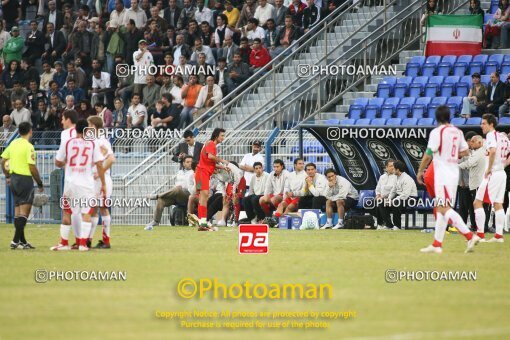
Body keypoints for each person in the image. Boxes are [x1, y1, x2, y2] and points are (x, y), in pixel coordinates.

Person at [417, 106, 479, 253]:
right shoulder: (457, 132)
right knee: (441, 208)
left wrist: (420, 171)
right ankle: (437, 244)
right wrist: (451, 155)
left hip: (442, 173)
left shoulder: (437, 132)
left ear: (437, 118)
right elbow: (465, 151)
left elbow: (428, 154)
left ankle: (470, 235)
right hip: (453, 172)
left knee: (444, 208)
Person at [52, 119, 107, 251]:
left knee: (67, 212)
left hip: (70, 183)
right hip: (86, 184)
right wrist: (103, 183)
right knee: (86, 213)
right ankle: (82, 244)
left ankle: (64, 243)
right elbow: (99, 164)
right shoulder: (92, 144)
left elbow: (58, 162)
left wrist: (67, 162)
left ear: (75, 129)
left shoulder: (67, 142)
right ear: (87, 130)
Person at [1, 122, 44, 249]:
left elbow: (3, 161)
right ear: (30, 131)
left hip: (13, 179)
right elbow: (32, 167)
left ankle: (22, 241)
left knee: (18, 212)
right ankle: (14, 241)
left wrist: (7, 176)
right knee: (25, 213)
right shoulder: (29, 146)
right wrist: (40, 183)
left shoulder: (13, 143)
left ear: (19, 132)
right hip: (25, 180)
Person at [473, 114, 510, 243]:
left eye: (483, 123)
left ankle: (480, 235)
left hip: (492, 174)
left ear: (491, 124)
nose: (481, 126)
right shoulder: (503, 137)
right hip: (501, 173)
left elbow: (493, 151)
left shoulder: (491, 135)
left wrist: (489, 168)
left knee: (477, 202)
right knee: (498, 204)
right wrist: (503, 164)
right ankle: (499, 236)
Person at [187, 128, 230, 231]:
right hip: (203, 173)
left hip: (200, 173)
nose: (223, 138)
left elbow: (210, 162)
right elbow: (211, 157)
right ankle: (201, 221)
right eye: (222, 135)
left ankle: (201, 222)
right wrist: (222, 161)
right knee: (204, 196)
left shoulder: (209, 144)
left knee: (202, 197)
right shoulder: (211, 144)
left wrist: (223, 167)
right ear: (216, 136)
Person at [86, 116, 116, 249]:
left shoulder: (102, 141)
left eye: (89, 125)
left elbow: (111, 159)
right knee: (93, 210)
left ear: (93, 126)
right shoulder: (91, 141)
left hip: (102, 180)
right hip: (93, 181)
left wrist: (100, 173)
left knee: (103, 208)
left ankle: (106, 241)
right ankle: (88, 239)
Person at [145, 155, 195, 230]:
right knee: (161, 200)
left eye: (191, 162)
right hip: (177, 195)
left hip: (188, 195)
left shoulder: (194, 172)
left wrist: (180, 188)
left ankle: (157, 195)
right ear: (183, 163)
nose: (190, 163)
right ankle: (156, 221)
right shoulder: (180, 172)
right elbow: (177, 184)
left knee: (177, 189)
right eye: (188, 162)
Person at [378, 160, 417, 231]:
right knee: (382, 203)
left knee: (396, 203)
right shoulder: (397, 177)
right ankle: (389, 225)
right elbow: (393, 190)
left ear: (398, 170)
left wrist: (394, 200)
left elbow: (405, 195)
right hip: (399, 197)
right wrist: (389, 199)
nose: (393, 170)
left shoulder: (407, 179)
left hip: (410, 199)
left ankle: (397, 226)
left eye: (394, 168)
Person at [459, 133, 486, 230]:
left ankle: (480, 228)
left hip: (477, 183)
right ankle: (479, 227)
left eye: (473, 141)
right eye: (470, 141)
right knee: (474, 206)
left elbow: (468, 163)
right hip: (473, 184)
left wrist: (455, 166)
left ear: (480, 142)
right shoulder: (478, 151)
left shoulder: (478, 153)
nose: (471, 143)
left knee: (477, 206)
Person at [373, 159, 397, 229]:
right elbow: (378, 188)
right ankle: (384, 222)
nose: (393, 167)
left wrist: (384, 197)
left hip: (392, 198)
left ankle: (385, 224)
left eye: (393, 166)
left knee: (380, 203)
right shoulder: (382, 177)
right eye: (390, 166)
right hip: (381, 198)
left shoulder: (397, 176)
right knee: (368, 204)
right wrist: (378, 195)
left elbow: (394, 190)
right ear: (386, 167)